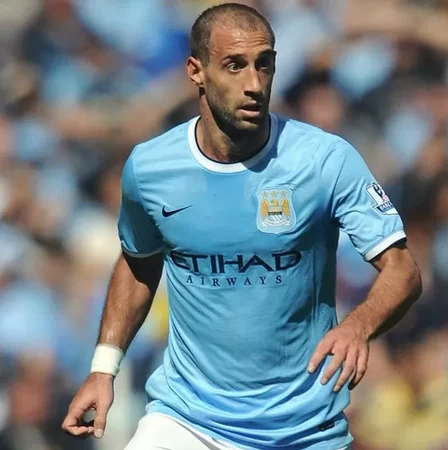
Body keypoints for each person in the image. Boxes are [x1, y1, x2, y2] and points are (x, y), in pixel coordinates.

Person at [62, 3, 422, 450]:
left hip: (301, 429)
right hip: (188, 418)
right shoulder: (151, 168)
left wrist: (358, 326)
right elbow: (138, 263)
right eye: (234, 65)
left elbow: (403, 270)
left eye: (263, 64)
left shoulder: (324, 159)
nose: (253, 84)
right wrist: (103, 368)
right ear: (196, 71)